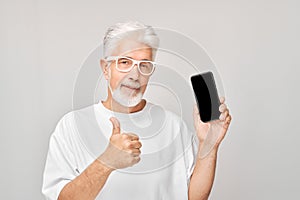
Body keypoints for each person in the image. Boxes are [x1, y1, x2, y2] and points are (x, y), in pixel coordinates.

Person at [42, 21, 232, 200]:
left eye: (144, 65)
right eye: (125, 62)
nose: (135, 75)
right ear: (106, 68)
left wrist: (210, 145)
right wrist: (106, 162)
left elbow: (194, 197)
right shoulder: (72, 126)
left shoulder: (173, 126)